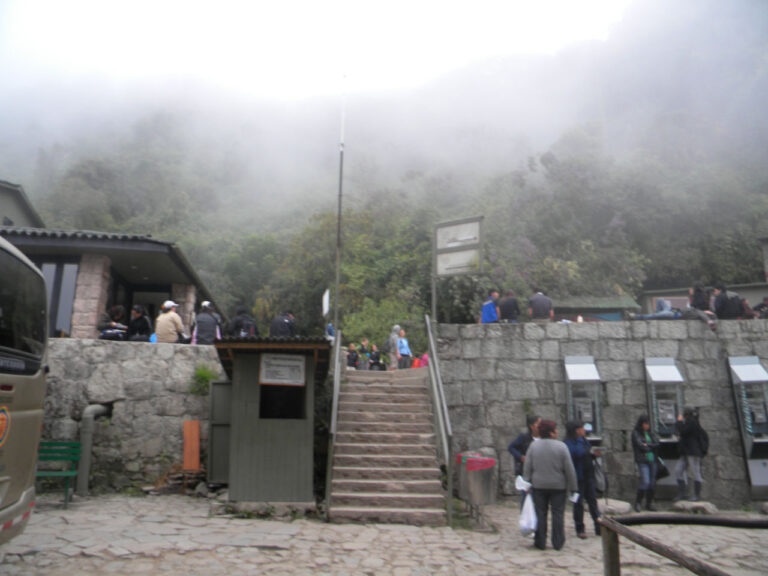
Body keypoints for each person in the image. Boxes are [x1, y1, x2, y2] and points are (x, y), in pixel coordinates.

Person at [523, 420, 577, 551]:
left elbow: (527, 467)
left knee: (540, 513)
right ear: (551, 433)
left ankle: (540, 541)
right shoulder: (561, 447)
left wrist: (526, 483)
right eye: (555, 430)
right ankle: (558, 542)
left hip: (539, 485)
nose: (557, 432)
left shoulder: (533, 446)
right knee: (558, 513)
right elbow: (569, 469)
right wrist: (574, 487)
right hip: (558, 486)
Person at [565, 420, 601, 537]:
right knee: (578, 503)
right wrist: (583, 444)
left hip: (588, 475)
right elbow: (577, 453)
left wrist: (593, 455)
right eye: (582, 429)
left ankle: (598, 526)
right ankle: (580, 528)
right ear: (577, 431)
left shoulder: (584, 441)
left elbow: (586, 454)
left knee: (592, 501)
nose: (584, 431)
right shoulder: (569, 443)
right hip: (577, 477)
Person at [508, 414, 541, 506]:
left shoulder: (544, 438)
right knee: (526, 495)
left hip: (540, 471)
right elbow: (511, 447)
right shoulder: (524, 437)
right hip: (527, 471)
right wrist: (521, 457)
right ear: (532, 426)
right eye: (538, 424)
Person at [675, 407, 707, 502]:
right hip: (685, 451)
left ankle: (697, 495)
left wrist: (679, 421)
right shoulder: (690, 422)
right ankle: (682, 493)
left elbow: (683, 430)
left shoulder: (692, 422)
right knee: (678, 470)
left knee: (695, 472)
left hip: (693, 451)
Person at [631, 414, 659, 511]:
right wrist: (648, 446)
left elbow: (656, 444)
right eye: (645, 423)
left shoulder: (650, 433)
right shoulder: (636, 433)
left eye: (648, 424)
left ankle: (649, 503)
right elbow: (640, 445)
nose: (647, 426)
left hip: (652, 460)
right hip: (642, 460)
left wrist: (648, 445)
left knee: (652, 483)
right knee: (645, 482)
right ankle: (638, 503)